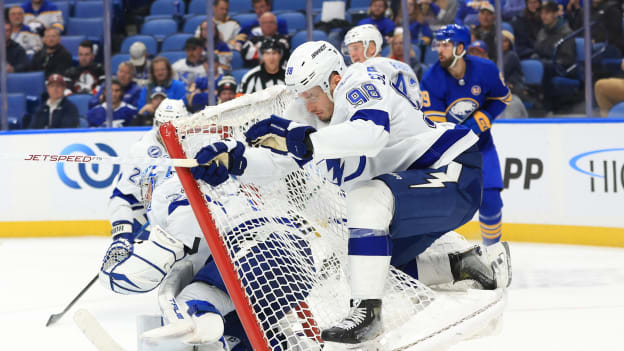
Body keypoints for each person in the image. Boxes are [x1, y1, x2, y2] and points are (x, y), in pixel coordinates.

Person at [190, 41, 510, 345]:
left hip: (452, 173)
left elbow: (370, 134)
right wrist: (235, 160)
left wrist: (302, 141)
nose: (309, 104)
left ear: (334, 78)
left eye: (313, 94)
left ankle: (366, 315)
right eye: (303, 97)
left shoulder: (358, 79)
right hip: (416, 193)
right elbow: (279, 162)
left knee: (367, 198)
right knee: (362, 264)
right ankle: (464, 265)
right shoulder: (313, 119)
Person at [420, 25, 510, 245]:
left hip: (482, 148)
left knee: (491, 201)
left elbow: (502, 98)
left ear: (460, 48)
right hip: (448, 153)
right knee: (443, 207)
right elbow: (439, 130)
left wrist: (485, 116)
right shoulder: (431, 80)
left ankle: (492, 252)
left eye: (445, 45)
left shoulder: (486, 69)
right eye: (438, 44)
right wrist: (471, 128)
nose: (439, 50)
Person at [105, 99, 189, 246]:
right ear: (155, 123)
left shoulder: (196, 142)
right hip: (153, 217)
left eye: (172, 127)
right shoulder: (142, 150)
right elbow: (121, 197)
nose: (165, 133)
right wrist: (122, 236)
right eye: (161, 126)